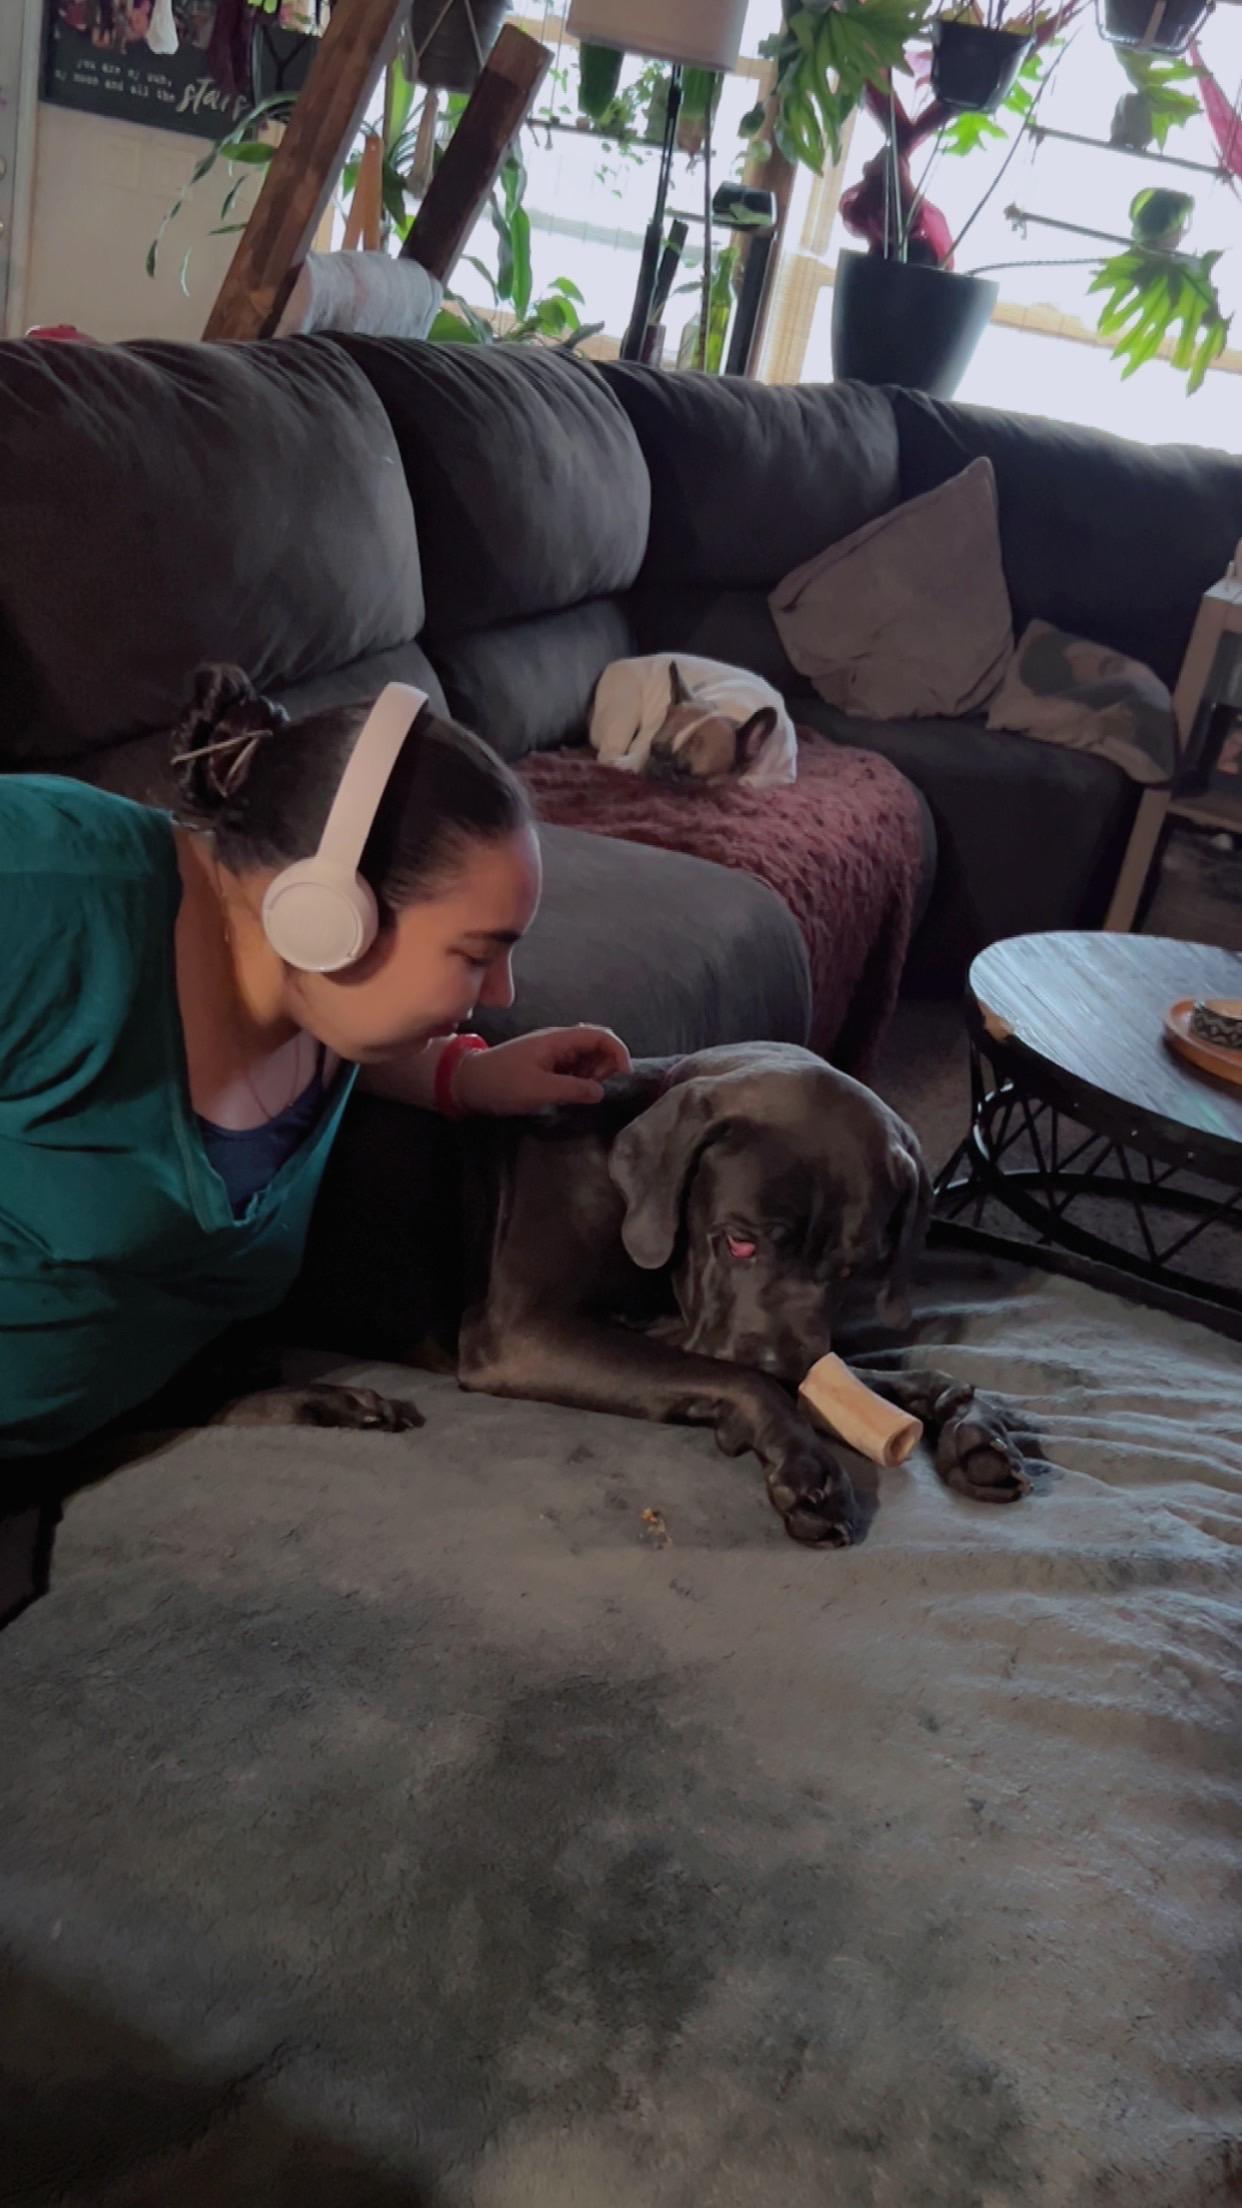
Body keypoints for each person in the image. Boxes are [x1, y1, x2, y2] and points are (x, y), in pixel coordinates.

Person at [0, 664, 631, 1469]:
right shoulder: (48, 894)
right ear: (326, 912)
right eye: (477, 955)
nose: (502, 992)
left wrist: (461, 1077)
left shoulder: (317, 1010)